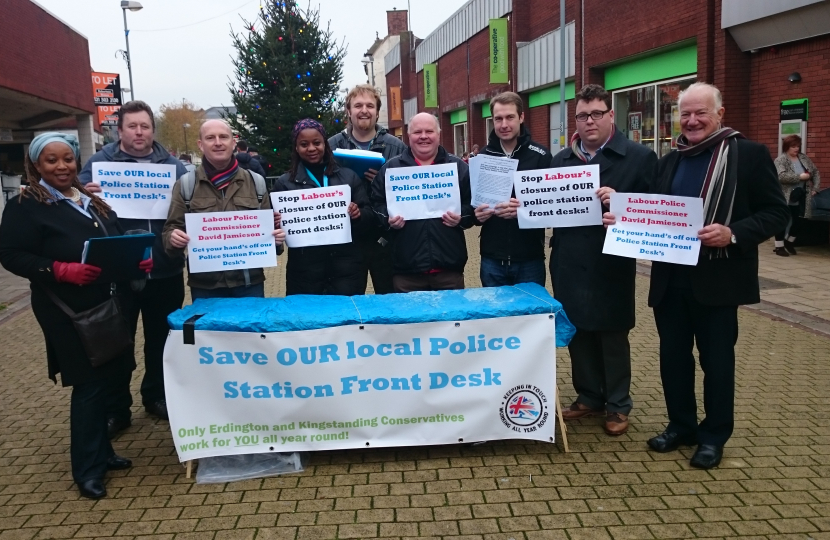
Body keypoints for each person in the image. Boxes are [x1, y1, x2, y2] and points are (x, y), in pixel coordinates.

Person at [603, 82, 788, 468]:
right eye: (684, 113)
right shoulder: (670, 160)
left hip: (718, 280)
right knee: (673, 359)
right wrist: (623, 221)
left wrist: (732, 233)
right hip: (670, 280)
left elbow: (776, 213)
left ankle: (714, 436)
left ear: (719, 114)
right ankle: (681, 426)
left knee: (717, 363)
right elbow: (654, 211)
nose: (691, 120)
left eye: (700, 112)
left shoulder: (748, 154)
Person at [0, 133, 152, 499]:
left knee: (108, 377)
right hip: (65, 308)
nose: (61, 166)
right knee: (88, 384)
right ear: (36, 165)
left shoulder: (89, 200)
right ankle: (88, 469)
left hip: (104, 304)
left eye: (67, 158)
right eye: (51, 160)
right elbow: (11, 254)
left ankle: (103, 452)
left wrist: (136, 261)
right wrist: (58, 269)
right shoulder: (25, 205)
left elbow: (113, 241)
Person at [551, 84, 656, 437]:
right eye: (582, 115)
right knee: (577, 331)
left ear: (611, 115)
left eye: (597, 114)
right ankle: (589, 396)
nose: (589, 121)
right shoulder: (561, 161)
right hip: (569, 259)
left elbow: (657, 211)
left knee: (612, 333)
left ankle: (617, 403)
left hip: (611, 261)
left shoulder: (639, 158)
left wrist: (622, 203)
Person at [79, 100, 188, 434]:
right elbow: (72, 206)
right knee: (117, 343)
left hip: (164, 268)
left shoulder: (174, 168)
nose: (139, 132)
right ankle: (116, 408)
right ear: (120, 130)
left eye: (144, 126)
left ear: (152, 129)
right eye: (132, 126)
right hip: (119, 273)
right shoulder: (98, 165)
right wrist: (83, 195)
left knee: (161, 341)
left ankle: (156, 396)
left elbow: (191, 207)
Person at [163, 120, 285, 299]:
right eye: (210, 138)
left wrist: (277, 239)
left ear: (233, 143)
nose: (218, 142)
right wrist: (173, 238)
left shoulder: (256, 183)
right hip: (205, 287)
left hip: (249, 285)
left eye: (223, 137)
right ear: (200, 145)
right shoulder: (186, 185)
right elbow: (170, 230)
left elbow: (271, 238)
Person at [371, 113, 474, 292]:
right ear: (408, 136)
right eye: (417, 132)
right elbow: (375, 203)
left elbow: (473, 205)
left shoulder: (458, 168)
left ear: (438, 134)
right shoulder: (391, 169)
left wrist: (461, 217)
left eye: (429, 131)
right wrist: (388, 219)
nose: (423, 136)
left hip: (448, 270)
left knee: (451, 312)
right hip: (406, 272)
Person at [273, 119, 373, 295]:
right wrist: (275, 224)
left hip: (347, 271)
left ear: (325, 144)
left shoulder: (348, 177)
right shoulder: (285, 183)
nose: (311, 148)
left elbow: (370, 217)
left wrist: (358, 215)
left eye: (317, 142)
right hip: (304, 274)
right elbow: (274, 231)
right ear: (296, 148)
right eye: (304, 144)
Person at [329, 84, 406, 294]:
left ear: (377, 112)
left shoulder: (396, 147)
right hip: (347, 237)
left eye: (370, 106)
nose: (364, 110)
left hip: (387, 236)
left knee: (390, 298)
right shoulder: (332, 146)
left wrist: (383, 182)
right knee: (349, 300)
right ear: (348, 111)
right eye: (358, 105)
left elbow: (407, 191)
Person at [475, 92, 552, 289]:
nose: (504, 124)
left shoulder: (541, 156)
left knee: (532, 309)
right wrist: (477, 215)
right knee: (494, 310)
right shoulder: (482, 157)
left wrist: (522, 211)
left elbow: (552, 207)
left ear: (521, 117)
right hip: (492, 258)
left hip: (529, 258)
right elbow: (473, 202)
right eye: (498, 119)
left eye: (510, 117)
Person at [773, 134, 821, 256]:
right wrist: (799, 177)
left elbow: (815, 172)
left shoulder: (804, 158)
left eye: (798, 146)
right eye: (793, 146)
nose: (796, 149)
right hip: (785, 196)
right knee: (782, 220)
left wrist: (815, 188)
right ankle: (779, 247)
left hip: (801, 196)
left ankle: (789, 242)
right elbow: (781, 176)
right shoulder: (780, 160)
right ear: (787, 147)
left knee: (800, 221)